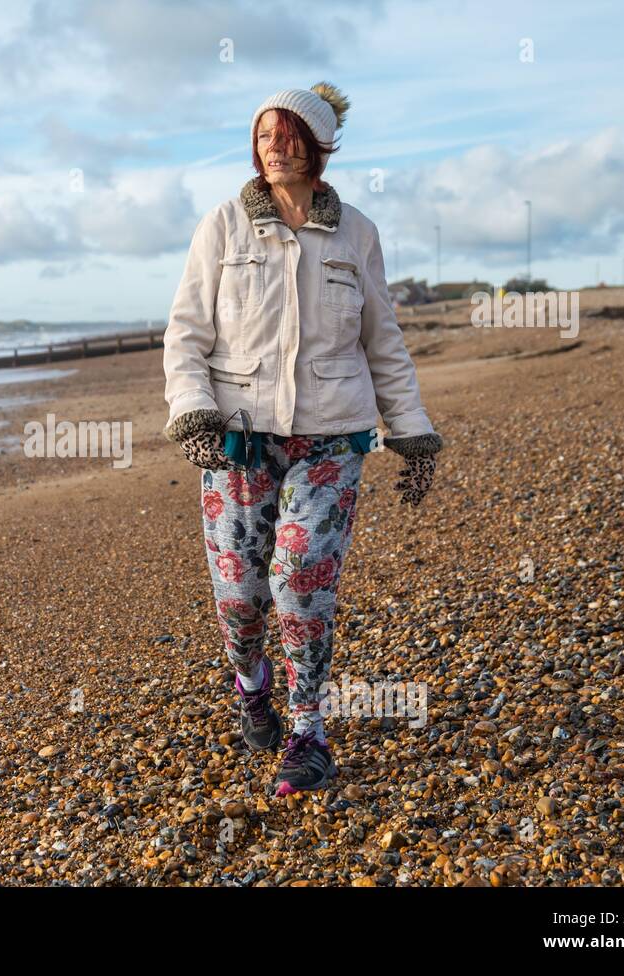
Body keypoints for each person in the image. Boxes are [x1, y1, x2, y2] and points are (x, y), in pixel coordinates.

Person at [161, 84, 444, 795]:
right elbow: (186, 335)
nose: (275, 147)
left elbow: (384, 342)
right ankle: (251, 680)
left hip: (331, 442)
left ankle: (309, 731)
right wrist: (194, 412)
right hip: (239, 445)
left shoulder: (358, 233)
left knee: (298, 582)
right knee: (241, 599)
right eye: (264, 136)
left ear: (318, 147)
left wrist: (411, 434)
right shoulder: (223, 226)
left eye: (290, 136)